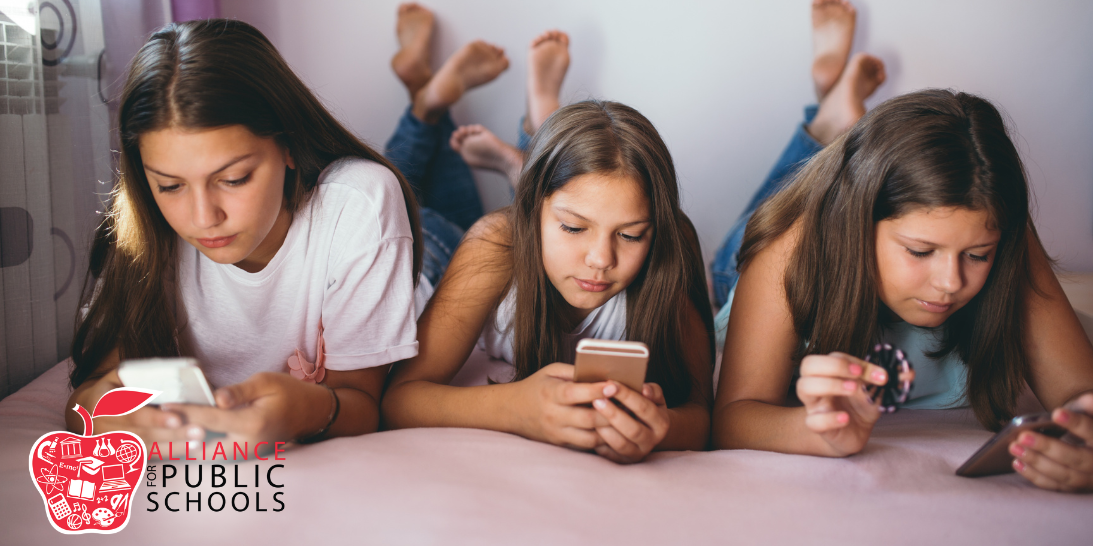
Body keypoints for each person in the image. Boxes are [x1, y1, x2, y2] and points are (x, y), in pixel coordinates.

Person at [710, 0, 1093, 493]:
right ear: (857, 226)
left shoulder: (1003, 234)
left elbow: (1081, 395)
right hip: (747, 269)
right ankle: (828, 123)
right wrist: (813, 433)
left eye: (977, 256)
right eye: (919, 251)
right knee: (745, 241)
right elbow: (733, 418)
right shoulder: (790, 250)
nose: (951, 283)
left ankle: (836, 118)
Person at [65, 19, 426, 447]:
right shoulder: (142, 226)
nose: (202, 218)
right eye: (170, 185)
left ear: (290, 144)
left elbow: (363, 403)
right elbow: (90, 393)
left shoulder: (360, 203)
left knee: (431, 196)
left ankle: (426, 108)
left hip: (404, 253)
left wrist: (305, 410)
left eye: (234, 178)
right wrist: (99, 413)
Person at [381, 95, 715, 464]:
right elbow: (399, 399)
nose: (601, 260)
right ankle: (429, 105)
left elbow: (700, 415)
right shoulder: (495, 244)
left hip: (525, 232)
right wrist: (517, 408)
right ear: (531, 212)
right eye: (574, 227)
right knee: (412, 202)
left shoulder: (672, 248)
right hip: (441, 255)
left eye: (631, 234)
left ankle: (519, 160)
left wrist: (658, 427)